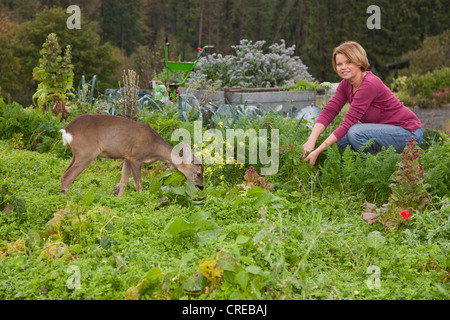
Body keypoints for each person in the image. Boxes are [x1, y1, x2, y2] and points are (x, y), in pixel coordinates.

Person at [301, 41, 423, 166]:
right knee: (335, 145)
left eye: (348, 62)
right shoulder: (346, 84)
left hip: (408, 133)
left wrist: (316, 151)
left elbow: (348, 123)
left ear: (358, 61)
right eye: (339, 64)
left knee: (355, 133)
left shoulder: (369, 84)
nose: (343, 67)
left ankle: (379, 166)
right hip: (384, 132)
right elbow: (330, 111)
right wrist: (311, 140)